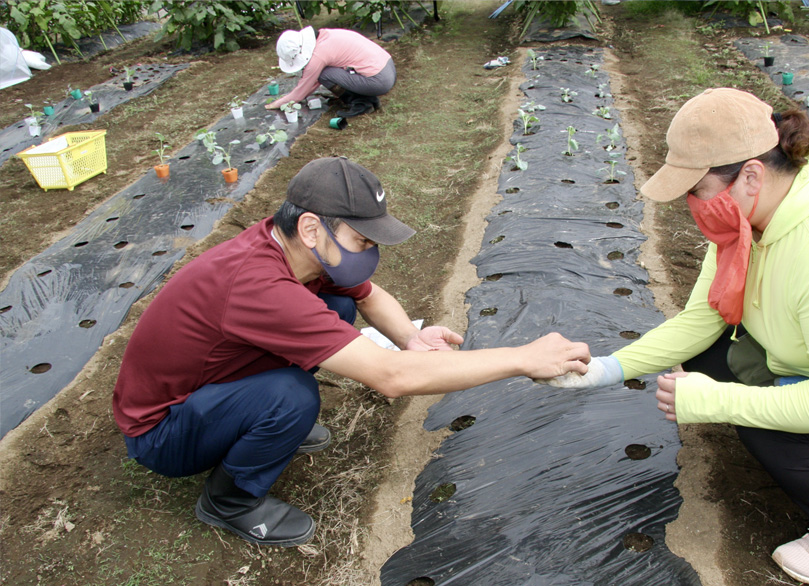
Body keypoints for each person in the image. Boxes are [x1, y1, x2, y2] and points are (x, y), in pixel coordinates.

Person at [540, 88, 809, 586]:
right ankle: (791, 437)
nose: (692, 205)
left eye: (698, 189)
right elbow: (700, 322)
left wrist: (723, 402)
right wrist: (605, 368)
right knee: (713, 358)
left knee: (756, 414)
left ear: (751, 174)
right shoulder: (746, 227)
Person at [113, 156, 590, 547]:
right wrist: (523, 357)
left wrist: (409, 337)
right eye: (361, 238)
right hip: (162, 432)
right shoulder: (259, 285)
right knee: (291, 396)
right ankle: (228, 500)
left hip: (207, 387)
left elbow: (368, 295)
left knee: (338, 301)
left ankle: (256, 426)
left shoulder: (293, 249)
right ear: (312, 227)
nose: (369, 250)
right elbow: (391, 378)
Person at [265, 26, 394, 119]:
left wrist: (276, 104)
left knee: (324, 74)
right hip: (388, 66)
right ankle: (367, 97)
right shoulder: (325, 35)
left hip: (379, 80)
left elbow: (302, 91)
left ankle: (361, 103)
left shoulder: (318, 56)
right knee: (326, 73)